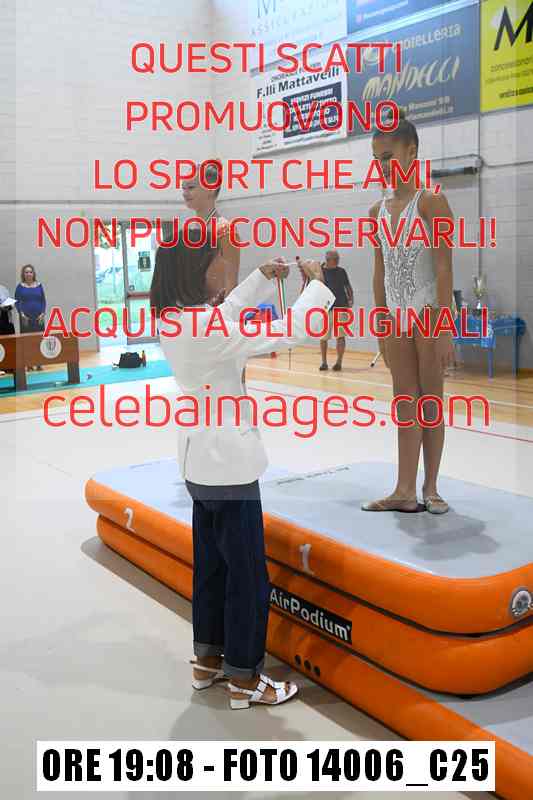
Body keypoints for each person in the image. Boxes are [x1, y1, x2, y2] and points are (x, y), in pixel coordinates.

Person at [150, 230, 335, 710]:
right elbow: (292, 331)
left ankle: (207, 660)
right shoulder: (206, 327)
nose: (224, 266)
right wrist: (317, 285)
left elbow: (225, 313)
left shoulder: (175, 318)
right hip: (228, 467)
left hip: (198, 463)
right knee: (248, 575)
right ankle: (245, 679)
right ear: (198, 269)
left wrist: (259, 278)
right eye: (218, 260)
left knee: (211, 567)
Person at [362, 111, 455, 515]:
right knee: (405, 402)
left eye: (388, 157)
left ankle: (430, 487)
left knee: (430, 400)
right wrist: (381, 321)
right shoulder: (376, 212)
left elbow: (444, 267)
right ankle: (403, 489)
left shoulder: (431, 202)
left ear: (411, 152)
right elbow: (379, 272)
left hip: (428, 313)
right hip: (397, 316)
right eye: (376, 159)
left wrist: (446, 326)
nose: (382, 166)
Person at [182, 160, 239, 305]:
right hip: (193, 309)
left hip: (216, 311)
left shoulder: (225, 230)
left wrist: (224, 314)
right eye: (183, 188)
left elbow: (231, 284)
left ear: (211, 189)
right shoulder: (189, 229)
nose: (185, 193)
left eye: (191, 187)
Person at [317, 250, 354, 372]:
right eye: (336, 259)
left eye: (338, 258)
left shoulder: (341, 271)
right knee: (323, 337)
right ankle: (324, 362)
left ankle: (339, 362)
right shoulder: (320, 272)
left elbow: (347, 286)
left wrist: (351, 299)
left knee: (341, 336)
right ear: (328, 260)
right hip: (326, 308)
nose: (338, 261)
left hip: (341, 307)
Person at [15, 265, 47, 371]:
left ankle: (39, 363)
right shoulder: (20, 287)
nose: (28, 274)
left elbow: (43, 301)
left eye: (30, 272)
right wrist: (21, 314)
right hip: (25, 318)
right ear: (23, 274)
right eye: (26, 272)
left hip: (39, 317)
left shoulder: (39, 285)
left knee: (39, 340)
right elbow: (17, 302)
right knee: (27, 341)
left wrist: (43, 313)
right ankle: (29, 364)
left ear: (33, 274)